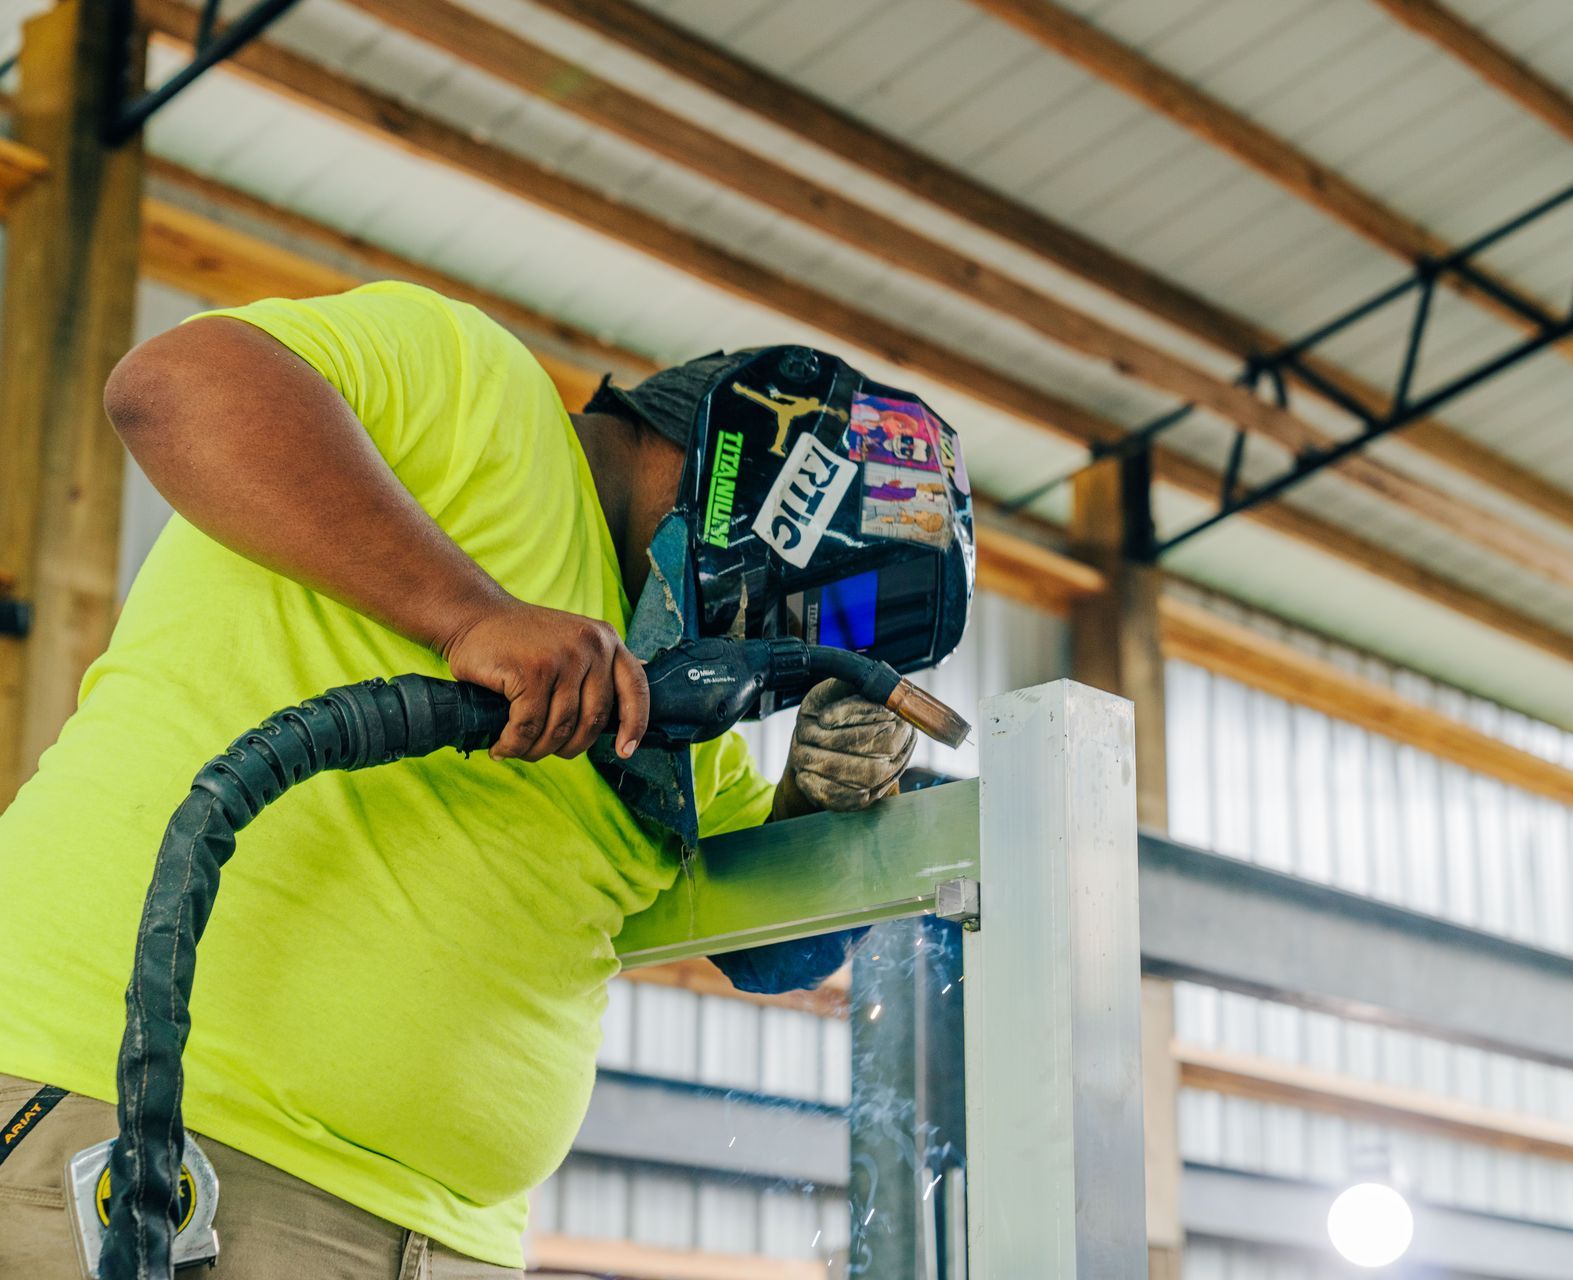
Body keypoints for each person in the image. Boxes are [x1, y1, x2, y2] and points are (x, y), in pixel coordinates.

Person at [0, 281, 915, 1278]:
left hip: (455, 1239)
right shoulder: (473, 381)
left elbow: (775, 952)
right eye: (794, 602)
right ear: (752, 473)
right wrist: (466, 613)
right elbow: (174, 386)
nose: (774, 639)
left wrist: (823, 799)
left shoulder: (684, 712)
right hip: (146, 1137)